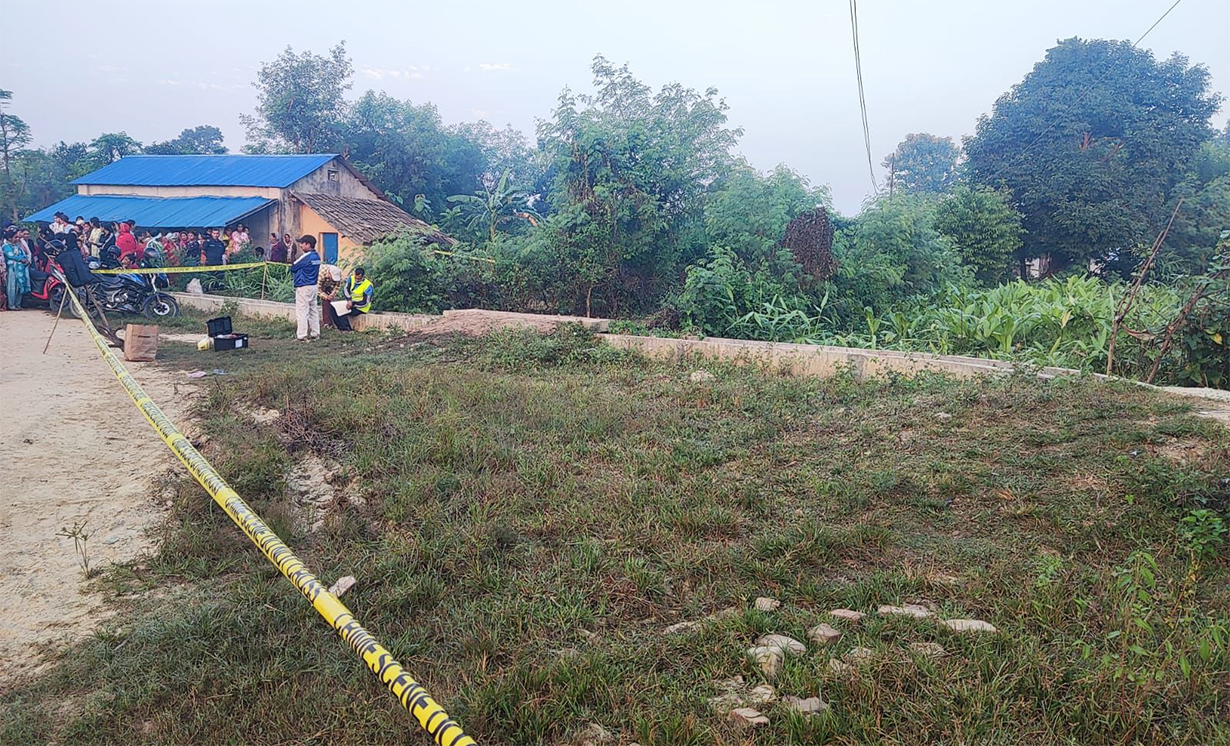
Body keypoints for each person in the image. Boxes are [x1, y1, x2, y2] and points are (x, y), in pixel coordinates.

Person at [292, 235, 321, 341]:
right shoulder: (317, 256)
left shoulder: (306, 256)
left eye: (302, 243)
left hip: (304, 286)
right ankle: (315, 333)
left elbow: (293, 267)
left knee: (302, 311)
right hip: (313, 286)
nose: (300, 245)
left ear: (308, 245)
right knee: (313, 311)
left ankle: (302, 335)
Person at [333, 267, 373, 331]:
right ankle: (340, 327)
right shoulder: (351, 279)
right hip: (350, 302)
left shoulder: (368, 285)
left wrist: (353, 304)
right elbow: (346, 289)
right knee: (332, 307)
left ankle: (347, 329)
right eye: (355, 278)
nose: (356, 280)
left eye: (359, 279)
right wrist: (349, 300)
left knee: (343, 310)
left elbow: (366, 302)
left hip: (361, 307)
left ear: (363, 277)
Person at [3, 227, 32, 309]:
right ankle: (11, 305)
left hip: (21, 269)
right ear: (9, 238)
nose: (18, 239)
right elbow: (11, 256)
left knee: (20, 286)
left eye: (18, 237)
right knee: (12, 286)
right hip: (12, 269)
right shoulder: (6, 246)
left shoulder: (17, 246)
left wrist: (26, 260)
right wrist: (21, 260)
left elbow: (23, 254)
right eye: (15, 237)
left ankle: (18, 304)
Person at [318, 264, 343, 328]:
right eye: (333, 278)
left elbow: (337, 286)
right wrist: (326, 296)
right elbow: (317, 289)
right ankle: (325, 323)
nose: (334, 280)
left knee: (329, 302)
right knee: (322, 301)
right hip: (316, 283)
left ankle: (330, 323)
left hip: (328, 284)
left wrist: (332, 294)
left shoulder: (339, 274)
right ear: (329, 273)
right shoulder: (321, 274)